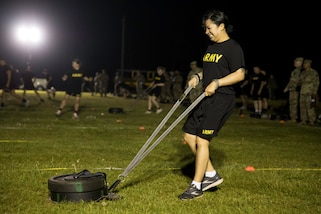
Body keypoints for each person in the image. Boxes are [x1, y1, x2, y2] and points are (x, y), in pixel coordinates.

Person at [179, 9, 245, 200]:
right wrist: (197, 77)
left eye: (209, 28)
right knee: (189, 135)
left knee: (202, 140)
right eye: (205, 28)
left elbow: (240, 73)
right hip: (206, 98)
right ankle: (210, 175)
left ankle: (196, 186)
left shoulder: (233, 48)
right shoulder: (211, 47)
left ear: (221, 26)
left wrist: (217, 83)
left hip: (221, 99)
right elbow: (209, 71)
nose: (206, 32)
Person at [299, 59, 319, 125]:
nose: (304, 65)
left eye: (305, 64)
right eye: (304, 64)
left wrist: (315, 91)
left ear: (309, 64)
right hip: (303, 92)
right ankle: (303, 120)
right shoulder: (303, 73)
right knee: (302, 107)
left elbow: (316, 82)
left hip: (311, 92)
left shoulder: (313, 72)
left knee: (311, 107)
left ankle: (312, 121)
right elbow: (300, 82)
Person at [283, 57, 304, 123]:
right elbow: (292, 80)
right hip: (293, 89)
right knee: (292, 103)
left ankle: (294, 118)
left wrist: (288, 87)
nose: (294, 62)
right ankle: (293, 117)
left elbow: (295, 81)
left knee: (294, 104)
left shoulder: (300, 71)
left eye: (296, 61)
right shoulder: (296, 70)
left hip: (295, 89)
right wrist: (287, 87)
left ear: (300, 63)